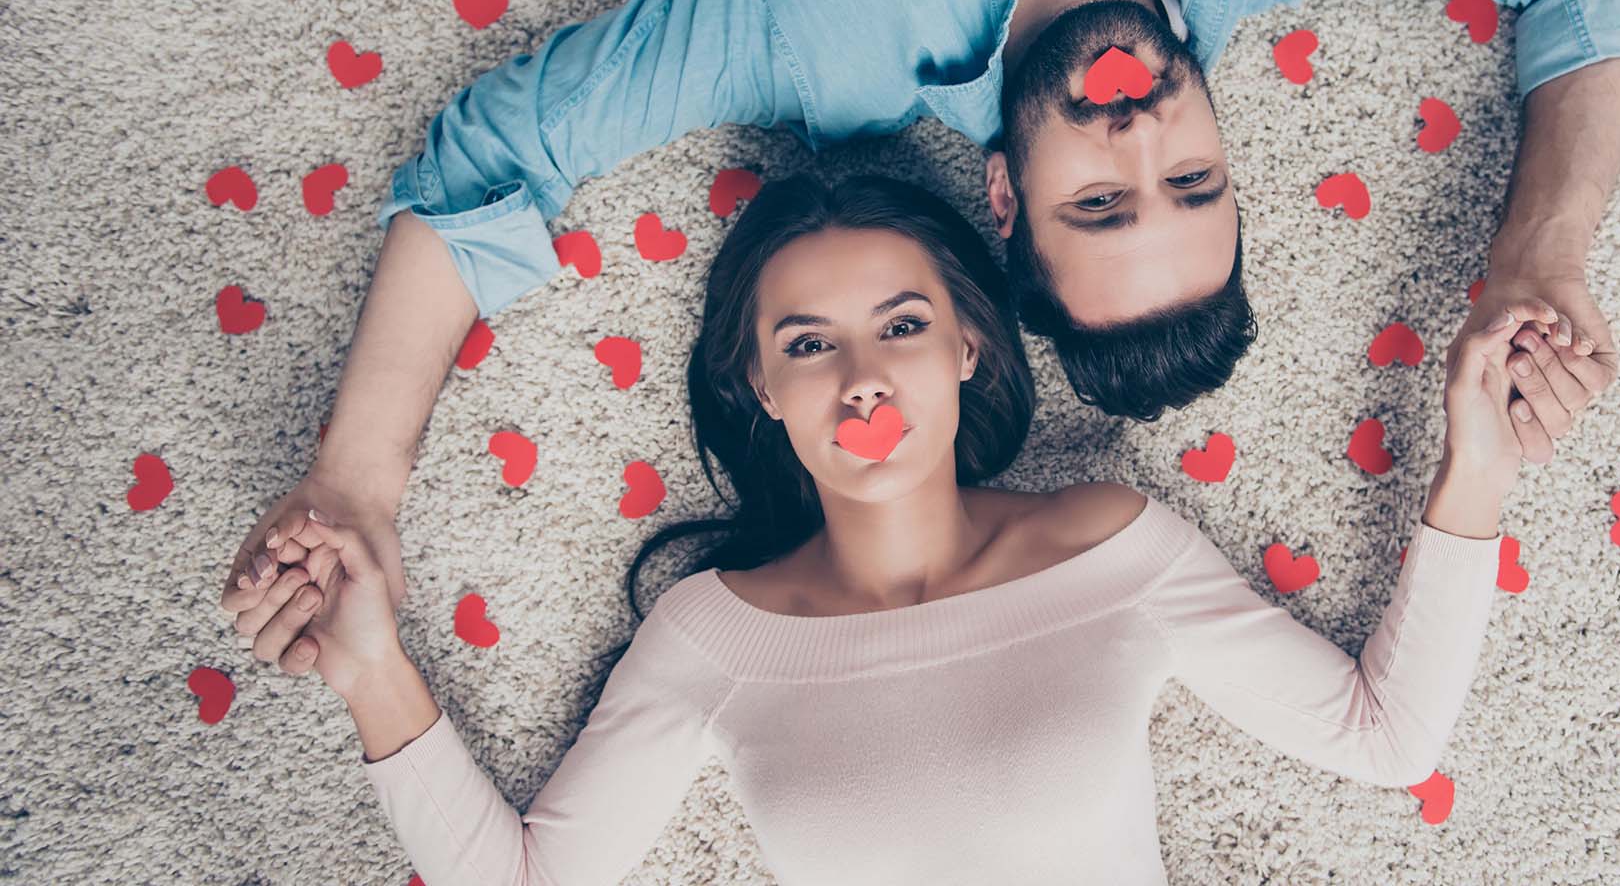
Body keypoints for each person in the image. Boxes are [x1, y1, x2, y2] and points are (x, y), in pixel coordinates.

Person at [222, 0, 1620, 655]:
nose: (1138, 139)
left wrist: (358, 474)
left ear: (1002, 197)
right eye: (1190, 183)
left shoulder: (803, 39)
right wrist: (1539, 256)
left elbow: (494, 164)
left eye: (1098, 201)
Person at [247, 174, 1535, 884]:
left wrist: (1474, 461)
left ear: (969, 343)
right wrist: (371, 669)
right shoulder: (716, 637)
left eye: (901, 325)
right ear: (761, 387)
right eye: (807, 344)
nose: (861, 378)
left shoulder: (1108, 548)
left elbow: (1385, 737)